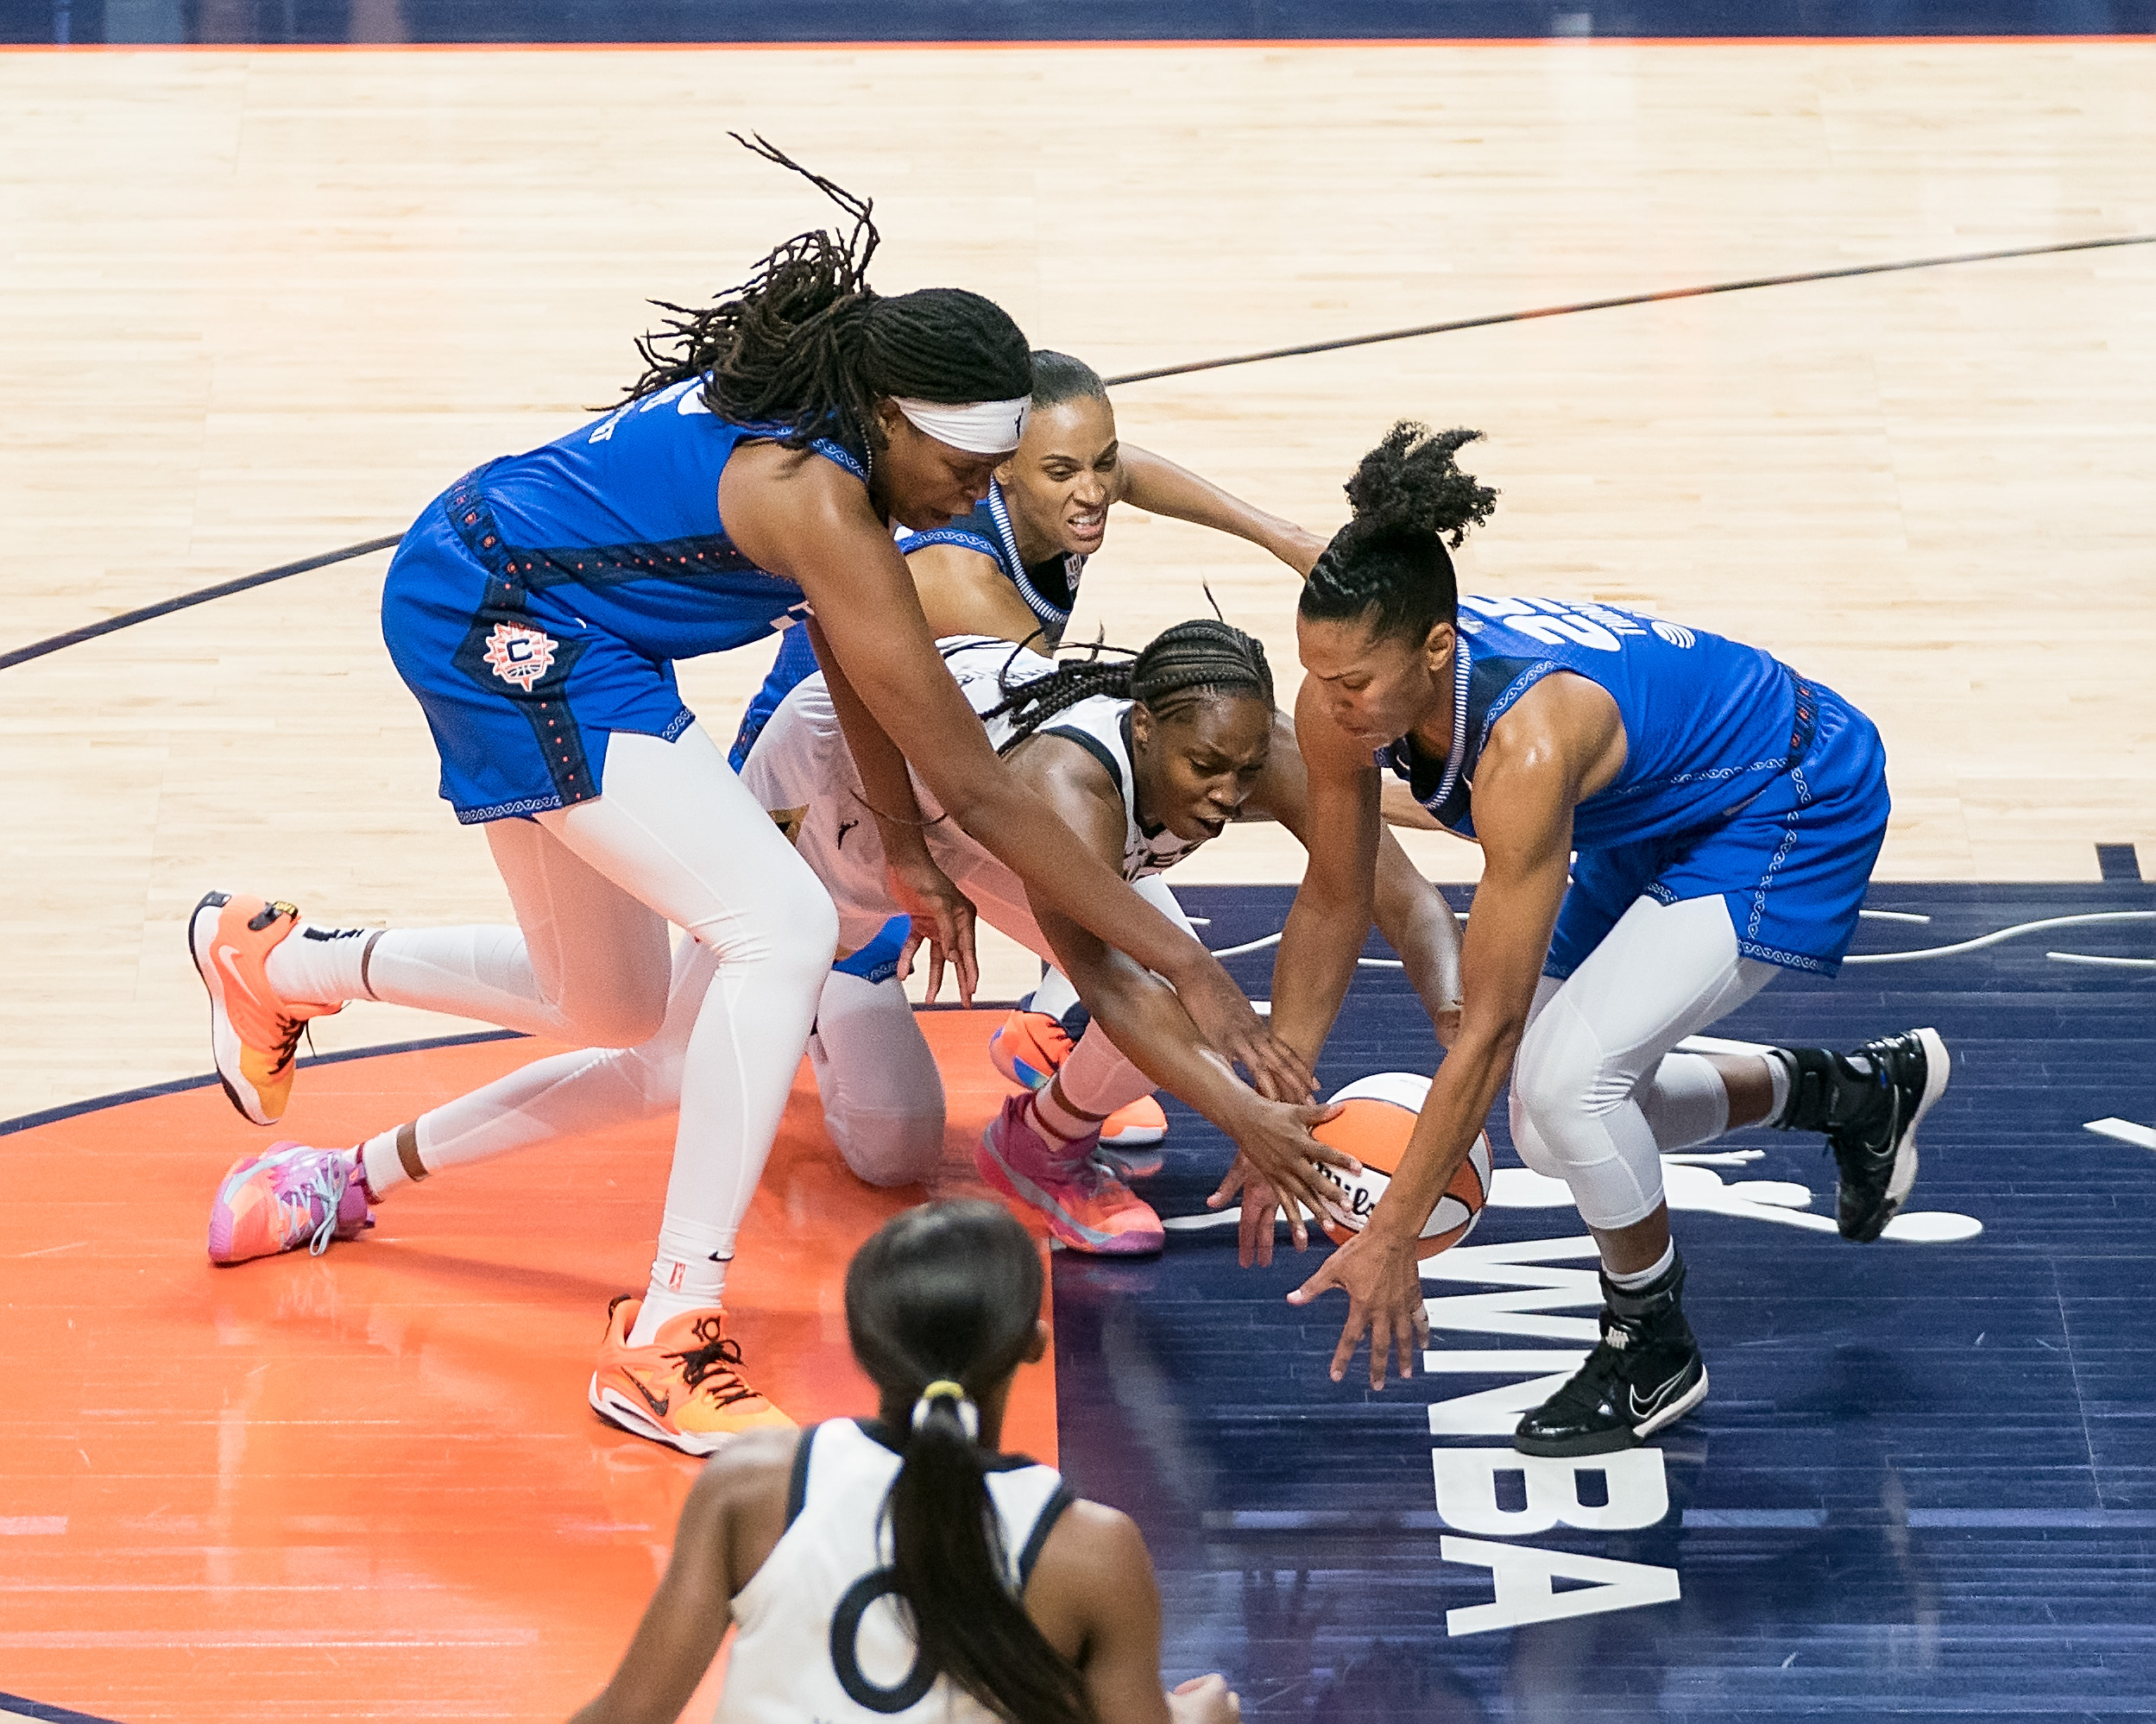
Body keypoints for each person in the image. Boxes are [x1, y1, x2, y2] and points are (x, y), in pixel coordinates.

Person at [188, 140, 1302, 1458]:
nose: (976, 502)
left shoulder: (858, 448)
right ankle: (668, 1325)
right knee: (776, 923)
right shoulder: (820, 497)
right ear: (901, 425)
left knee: (614, 1004)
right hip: (502, 622)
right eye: (967, 477)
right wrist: (1184, 957)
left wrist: (898, 843)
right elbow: (975, 784)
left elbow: (854, 645)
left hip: (543, 607)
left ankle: (285, 962)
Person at [1263, 420, 1950, 1457]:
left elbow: (1486, 1035)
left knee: (1559, 1088)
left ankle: (1651, 1347)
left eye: (1352, 681)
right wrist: (1282, 1091)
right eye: (1315, 673)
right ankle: (1851, 1093)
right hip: (1661, 800)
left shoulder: (1527, 747)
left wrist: (1394, 1231)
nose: (1328, 702)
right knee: (1551, 1129)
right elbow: (1330, 894)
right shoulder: (1346, 697)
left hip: (1786, 793)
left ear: (1435, 649)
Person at [728, 346, 1327, 1161]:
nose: (1094, 494)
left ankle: (1044, 1106)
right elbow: (1010, 787)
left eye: (1100, 465)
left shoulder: (1059, 499)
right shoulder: (974, 590)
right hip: (820, 800)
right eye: (1063, 472)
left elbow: (1125, 472)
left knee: (1126, 946)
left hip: (944, 793)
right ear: (1001, 470)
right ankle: (1029, 1011)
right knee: (883, 1138)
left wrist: (1277, 534)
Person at [566, 1199, 1243, 1724]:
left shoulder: (750, 1486)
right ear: (1032, 1345)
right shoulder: (1093, 1550)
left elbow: (626, 1716)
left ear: (864, 1349)